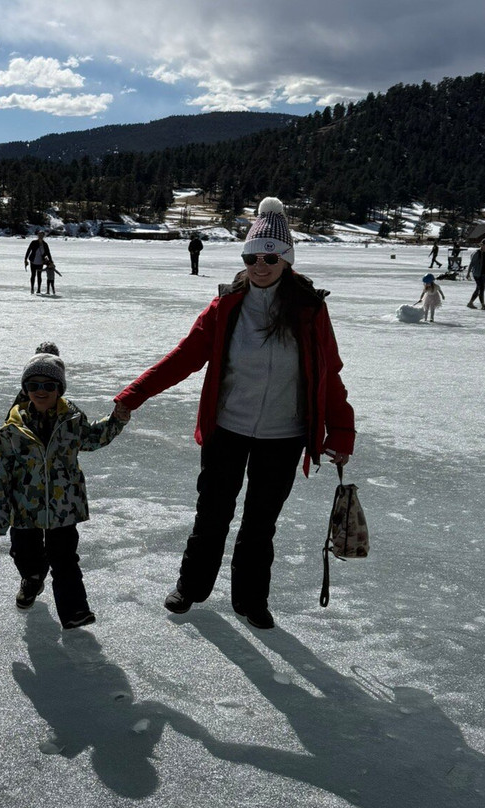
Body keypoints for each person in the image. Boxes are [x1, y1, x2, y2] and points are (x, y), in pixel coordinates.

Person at [112, 197, 354, 630]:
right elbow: (183, 357)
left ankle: (250, 600)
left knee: (260, 524)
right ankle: (191, 586)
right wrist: (134, 394)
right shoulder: (225, 308)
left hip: (284, 435)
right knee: (213, 513)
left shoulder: (309, 310)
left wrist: (340, 433)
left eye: (270, 257)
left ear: (286, 260)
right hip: (228, 428)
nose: (260, 265)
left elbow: (328, 375)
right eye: (252, 256)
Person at [0, 342, 129, 629]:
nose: (41, 391)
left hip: (63, 505)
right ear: (25, 388)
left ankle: (75, 611)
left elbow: (92, 439)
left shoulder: (72, 420)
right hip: (25, 507)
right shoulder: (12, 429)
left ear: (60, 389)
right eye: (33, 384)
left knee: (65, 559)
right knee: (24, 554)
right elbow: (2, 473)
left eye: (49, 385)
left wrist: (116, 420)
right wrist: (0, 514)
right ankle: (32, 579)